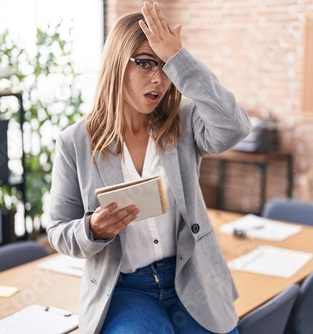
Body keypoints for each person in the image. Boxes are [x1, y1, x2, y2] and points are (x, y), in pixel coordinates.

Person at [46, 2, 252, 333]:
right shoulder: (75, 142)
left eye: (165, 67)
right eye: (144, 63)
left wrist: (180, 60)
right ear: (116, 64)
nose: (158, 79)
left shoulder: (182, 123)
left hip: (191, 277)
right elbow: (57, 230)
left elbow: (234, 127)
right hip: (125, 288)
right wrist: (93, 230)